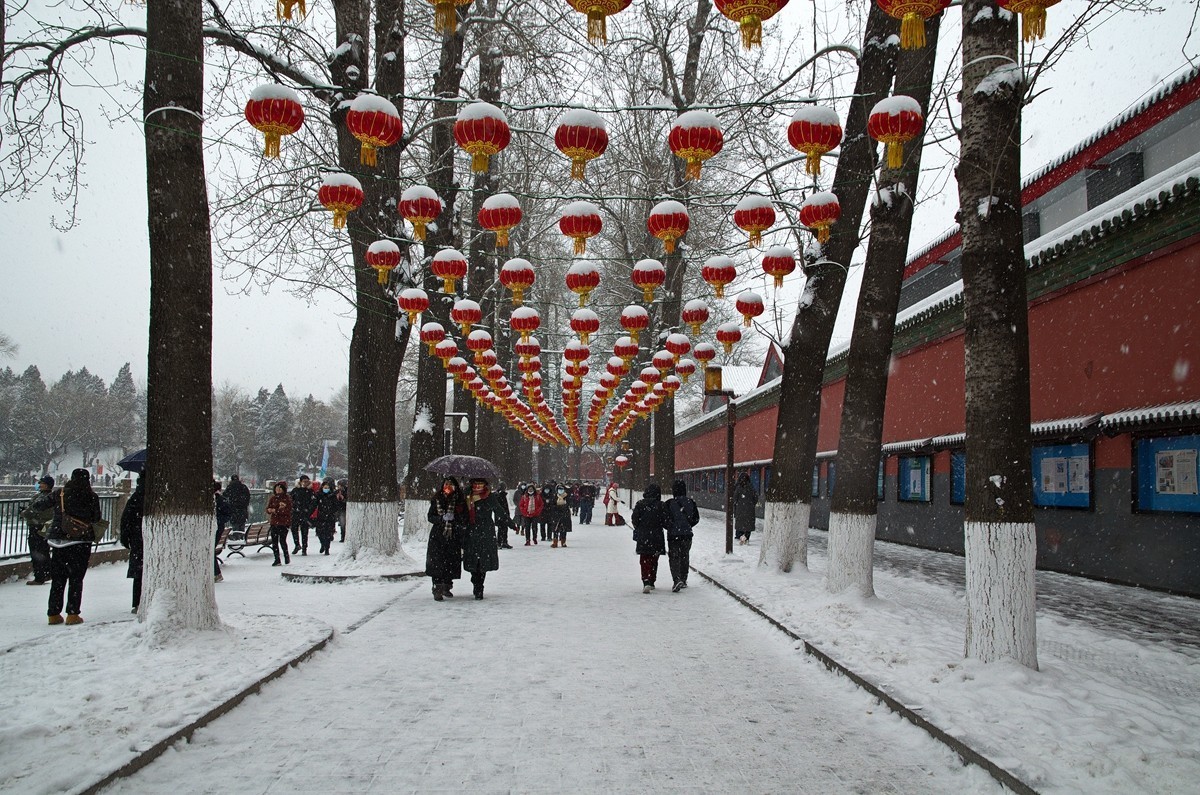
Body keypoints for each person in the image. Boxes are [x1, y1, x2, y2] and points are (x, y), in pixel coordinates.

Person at [45, 468, 102, 625]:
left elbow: (41, 505)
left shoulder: (60, 494)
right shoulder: (91, 496)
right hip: (80, 541)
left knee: (58, 579)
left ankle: (53, 613)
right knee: (76, 579)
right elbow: (96, 517)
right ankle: (72, 614)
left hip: (58, 542)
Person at [426, 477, 468, 601]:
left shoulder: (459, 500)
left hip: (453, 536)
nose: (448, 486)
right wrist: (441, 518)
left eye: (451, 484)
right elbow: (430, 516)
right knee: (437, 562)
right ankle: (437, 587)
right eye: (446, 484)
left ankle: (447, 586)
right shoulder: (437, 499)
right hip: (438, 536)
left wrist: (455, 518)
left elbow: (464, 517)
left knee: (450, 561)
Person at [463, 478, 504, 599]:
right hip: (470, 532)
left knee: (483, 562)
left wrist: (511, 524)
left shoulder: (489, 497)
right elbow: (461, 512)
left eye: (481, 484)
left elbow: (499, 510)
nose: (478, 486)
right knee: (472, 560)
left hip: (486, 532)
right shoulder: (467, 496)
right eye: (476, 484)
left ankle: (479, 586)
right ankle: (475, 580)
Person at [631, 482, 669, 594]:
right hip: (657, 535)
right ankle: (652, 579)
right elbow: (666, 521)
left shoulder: (640, 504)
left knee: (644, 558)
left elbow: (635, 519)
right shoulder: (661, 505)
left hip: (644, 535)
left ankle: (645, 579)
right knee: (654, 558)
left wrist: (639, 527)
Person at [19, 475, 56, 585]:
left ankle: (40, 576)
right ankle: (46, 573)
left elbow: (35, 511)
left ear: (47, 485)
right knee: (44, 551)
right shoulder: (50, 496)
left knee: (37, 552)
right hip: (44, 528)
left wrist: (25, 513)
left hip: (38, 528)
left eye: (41, 483)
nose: (39, 485)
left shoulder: (44, 498)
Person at [665, 479, 700, 592]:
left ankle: (676, 579)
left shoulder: (669, 503)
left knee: (674, 557)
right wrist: (688, 525)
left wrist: (670, 527)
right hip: (687, 535)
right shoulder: (691, 502)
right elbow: (696, 518)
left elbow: (665, 519)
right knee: (685, 556)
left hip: (673, 535)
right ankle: (684, 579)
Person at [119, 476, 145, 612]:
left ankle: (137, 602)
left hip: (138, 538)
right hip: (152, 537)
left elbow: (126, 518)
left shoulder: (135, 498)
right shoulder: (157, 495)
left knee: (139, 573)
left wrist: (125, 537)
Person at [266, 481, 293, 566]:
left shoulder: (287, 499)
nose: (278, 490)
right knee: (274, 541)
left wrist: (276, 510)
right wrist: (269, 510)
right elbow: (268, 508)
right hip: (274, 522)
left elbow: (287, 510)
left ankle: (286, 556)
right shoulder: (273, 498)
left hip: (283, 523)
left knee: (282, 540)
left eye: (280, 488)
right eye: (276, 488)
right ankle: (277, 558)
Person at [313, 477, 343, 554]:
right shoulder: (319, 495)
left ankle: (327, 548)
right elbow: (313, 505)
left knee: (328, 533)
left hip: (330, 517)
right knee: (319, 532)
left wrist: (332, 512)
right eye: (324, 487)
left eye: (327, 487)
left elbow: (336, 506)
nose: (326, 489)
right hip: (321, 516)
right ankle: (322, 544)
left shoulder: (332, 496)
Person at [290, 475, 317, 555]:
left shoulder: (310, 491)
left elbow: (314, 503)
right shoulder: (295, 490)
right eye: (304, 481)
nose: (305, 483)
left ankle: (304, 548)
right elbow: (290, 500)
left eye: (307, 481)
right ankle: (297, 545)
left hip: (305, 514)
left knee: (304, 532)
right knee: (294, 529)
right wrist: (294, 508)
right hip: (296, 513)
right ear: (300, 482)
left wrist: (308, 511)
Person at [732, 472, 758, 545]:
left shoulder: (738, 488)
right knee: (748, 526)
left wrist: (738, 505)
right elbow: (755, 498)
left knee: (740, 525)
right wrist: (751, 504)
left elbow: (735, 498)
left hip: (740, 510)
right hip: (750, 511)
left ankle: (740, 536)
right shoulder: (751, 488)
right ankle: (746, 536)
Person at [213, 481, 231, 582]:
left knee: (210, 551)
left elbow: (226, 514)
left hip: (216, 528)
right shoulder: (221, 500)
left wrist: (216, 521)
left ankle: (217, 573)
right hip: (218, 528)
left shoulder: (219, 501)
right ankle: (216, 573)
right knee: (211, 551)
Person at [549, 484, 572, 548]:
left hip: (565, 514)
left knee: (564, 529)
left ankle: (563, 542)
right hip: (556, 514)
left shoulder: (567, 496)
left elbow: (570, 504)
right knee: (555, 529)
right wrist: (556, 508)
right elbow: (552, 505)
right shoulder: (554, 496)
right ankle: (555, 542)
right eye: (559, 489)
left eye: (562, 489)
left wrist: (564, 507)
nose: (560, 490)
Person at [494, 481, 515, 549]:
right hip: (501, 515)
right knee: (502, 529)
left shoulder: (499, 495)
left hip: (501, 515)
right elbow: (501, 507)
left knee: (503, 529)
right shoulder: (500, 495)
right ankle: (501, 542)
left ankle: (502, 542)